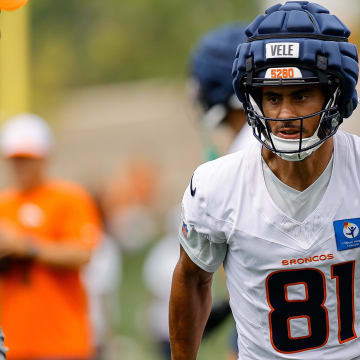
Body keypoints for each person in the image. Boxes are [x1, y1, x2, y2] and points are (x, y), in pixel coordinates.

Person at [169, 1, 360, 359]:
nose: (284, 114)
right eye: (272, 97)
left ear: (336, 94)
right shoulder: (217, 186)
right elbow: (192, 279)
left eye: (300, 95)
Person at [0, 114, 101, 360]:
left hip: (61, 343)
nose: (21, 166)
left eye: (28, 159)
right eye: (16, 160)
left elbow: (82, 253)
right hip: (11, 343)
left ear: (44, 158)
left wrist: (25, 246)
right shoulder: (3, 204)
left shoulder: (69, 198)